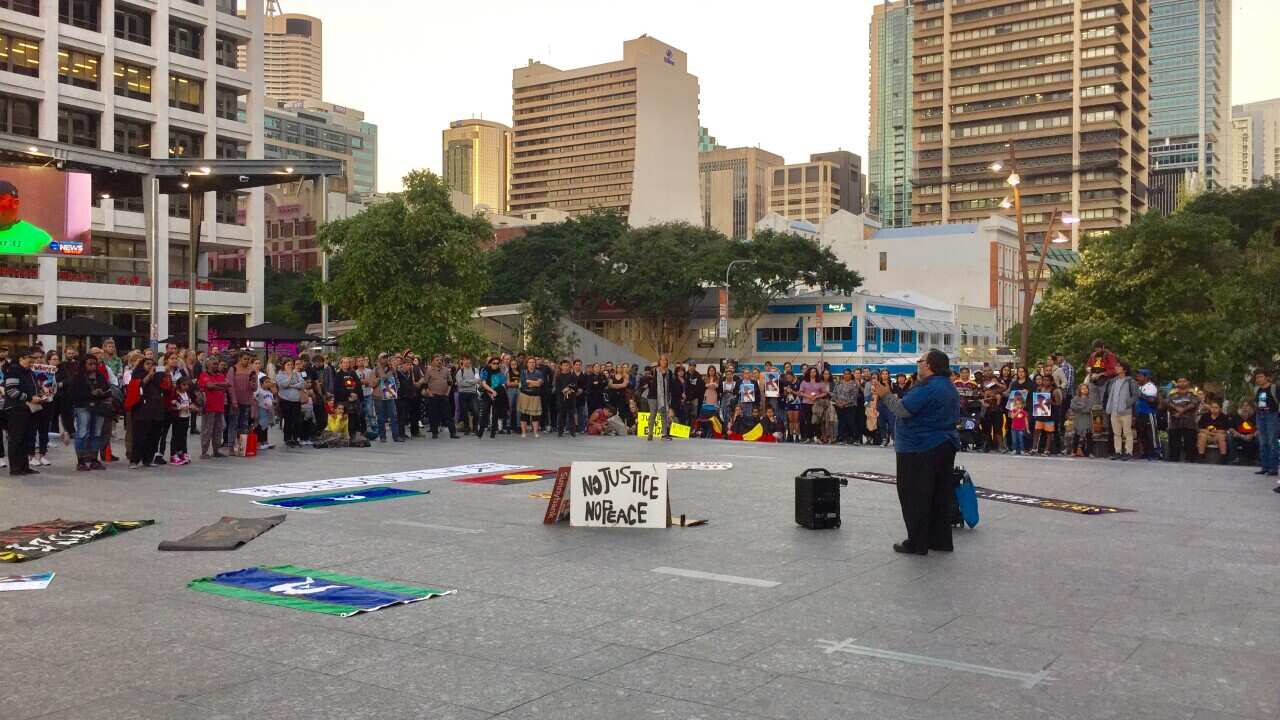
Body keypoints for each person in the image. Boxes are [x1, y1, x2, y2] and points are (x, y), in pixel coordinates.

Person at [873, 350, 962, 556]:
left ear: (929, 365)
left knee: (915, 494)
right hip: (944, 443)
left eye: (920, 361)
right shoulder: (948, 386)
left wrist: (886, 395)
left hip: (920, 447)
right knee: (939, 495)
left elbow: (903, 410)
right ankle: (940, 540)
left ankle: (917, 542)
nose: (918, 364)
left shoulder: (929, 387)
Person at [64, 354, 110, 471]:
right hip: (83, 407)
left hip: (98, 407)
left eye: (95, 364)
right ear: (84, 364)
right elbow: (72, 395)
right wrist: (91, 394)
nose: (93, 366)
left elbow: (108, 389)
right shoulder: (78, 377)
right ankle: (81, 461)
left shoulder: (100, 376)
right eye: (90, 364)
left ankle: (94, 460)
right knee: (83, 433)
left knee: (97, 433)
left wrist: (102, 393)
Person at [1104, 363, 1138, 460]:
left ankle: (1128, 452)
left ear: (1124, 370)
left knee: (1127, 432)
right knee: (1116, 433)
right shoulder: (1112, 381)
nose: (1116, 368)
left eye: (1119, 367)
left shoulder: (1130, 381)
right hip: (1114, 411)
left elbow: (1136, 395)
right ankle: (1117, 451)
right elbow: (1109, 394)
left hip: (1126, 412)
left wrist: (1127, 404)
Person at [198, 357, 229, 458]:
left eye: (217, 363)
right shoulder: (203, 375)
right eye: (214, 364)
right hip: (209, 407)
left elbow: (227, 385)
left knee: (218, 429)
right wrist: (220, 386)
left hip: (220, 407)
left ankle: (216, 451)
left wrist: (215, 385)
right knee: (207, 430)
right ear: (208, 365)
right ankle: (204, 452)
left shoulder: (221, 375)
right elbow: (209, 385)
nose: (216, 365)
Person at [1252, 369, 1279, 481]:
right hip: (1260, 415)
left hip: (1271, 416)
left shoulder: (1274, 388)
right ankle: (1265, 467)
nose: (1259, 379)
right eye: (1257, 377)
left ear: (1266, 377)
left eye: (1261, 376)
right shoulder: (1256, 389)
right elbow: (1255, 402)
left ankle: (1273, 468)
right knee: (1263, 441)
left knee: (1272, 441)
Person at [1165, 378, 1201, 463]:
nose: (1181, 383)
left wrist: (1183, 410)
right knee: (1174, 443)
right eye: (1179, 381)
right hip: (1175, 421)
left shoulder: (1192, 393)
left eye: (1184, 381)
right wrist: (1177, 408)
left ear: (1188, 382)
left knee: (1190, 443)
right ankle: (1173, 461)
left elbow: (1195, 403)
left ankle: (1190, 461)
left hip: (1189, 421)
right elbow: (1168, 403)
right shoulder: (1172, 392)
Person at [643, 354, 675, 441]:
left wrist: (669, 397)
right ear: (659, 361)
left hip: (664, 397)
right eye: (662, 360)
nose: (664, 361)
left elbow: (671, 385)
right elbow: (648, 380)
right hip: (653, 396)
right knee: (653, 414)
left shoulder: (669, 372)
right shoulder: (655, 371)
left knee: (663, 415)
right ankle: (650, 433)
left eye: (665, 360)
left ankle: (664, 434)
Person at [276, 357, 305, 447]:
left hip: (296, 400)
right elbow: (283, 385)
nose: (290, 366)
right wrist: (289, 377)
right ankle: (287, 438)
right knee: (288, 420)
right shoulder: (280, 375)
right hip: (286, 400)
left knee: (297, 420)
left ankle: (295, 438)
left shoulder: (296, 373)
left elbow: (302, 384)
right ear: (284, 365)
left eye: (291, 365)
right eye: (288, 365)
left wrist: (292, 385)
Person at [1133, 369, 1161, 460]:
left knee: (1151, 433)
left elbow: (1151, 399)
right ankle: (1145, 452)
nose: (1138, 377)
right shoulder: (1139, 386)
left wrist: (1140, 394)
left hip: (1149, 413)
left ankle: (1156, 453)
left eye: (1140, 376)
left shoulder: (1150, 386)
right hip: (1140, 413)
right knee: (1142, 434)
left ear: (1146, 377)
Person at [477, 356, 507, 439]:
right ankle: (481, 430)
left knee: (495, 413)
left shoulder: (500, 373)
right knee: (485, 411)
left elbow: (503, 384)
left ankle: (493, 432)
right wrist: (491, 391)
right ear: (490, 363)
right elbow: (484, 383)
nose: (496, 365)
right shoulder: (485, 371)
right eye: (494, 363)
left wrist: (498, 392)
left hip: (497, 394)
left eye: (497, 363)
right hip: (487, 393)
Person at [168, 377, 194, 465]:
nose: (186, 387)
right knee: (176, 436)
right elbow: (171, 406)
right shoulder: (175, 394)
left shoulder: (187, 393)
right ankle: (173, 455)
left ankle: (183, 452)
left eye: (187, 385)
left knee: (183, 436)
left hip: (186, 417)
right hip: (178, 418)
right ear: (179, 385)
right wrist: (180, 407)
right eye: (184, 385)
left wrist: (191, 407)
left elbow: (190, 402)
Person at [517, 356, 544, 438]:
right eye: (530, 362)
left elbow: (539, 384)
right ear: (527, 364)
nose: (532, 364)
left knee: (535, 415)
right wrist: (534, 382)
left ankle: (535, 433)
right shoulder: (523, 372)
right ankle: (524, 432)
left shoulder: (539, 372)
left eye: (533, 362)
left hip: (535, 395)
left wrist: (529, 381)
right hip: (524, 394)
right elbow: (524, 384)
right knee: (524, 414)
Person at [554, 359, 581, 438]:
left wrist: (569, 389)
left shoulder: (573, 376)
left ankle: (572, 431)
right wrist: (564, 390)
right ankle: (560, 431)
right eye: (564, 365)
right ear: (561, 366)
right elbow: (557, 388)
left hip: (571, 398)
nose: (565, 367)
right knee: (561, 415)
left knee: (571, 415)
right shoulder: (558, 376)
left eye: (567, 365)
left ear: (569, 366)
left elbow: (575, 386)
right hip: (561, 399)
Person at [1229, 400, 1259, 466]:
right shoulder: (1236, 416)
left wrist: (1252, 435)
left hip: (1252, 437)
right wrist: (1240, 435)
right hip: (1239, 437)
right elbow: (1231, 428)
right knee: (1231, 437)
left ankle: (1258, 459)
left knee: (1260, 438)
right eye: (1243, 406)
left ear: (1251, 407)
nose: (1245, 407)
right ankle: (1234, 458)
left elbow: (1260, 429)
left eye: (1247, 406)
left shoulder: (1256, 416)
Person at [1069, 384, 1093, 457]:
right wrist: (1082, 406)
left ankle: (1089, 452)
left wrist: (1079, 407)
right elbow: (1072, 406)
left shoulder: (1090, 399)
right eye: (1082, 388)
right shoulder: (1075, 398)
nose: (1084, 390)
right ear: (1079, 390)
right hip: (1078, 419)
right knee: (1076, 436)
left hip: (1087, 419)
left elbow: (1088, 409)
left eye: (1086, 388)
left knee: (1088, 436)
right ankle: (1074, 451)